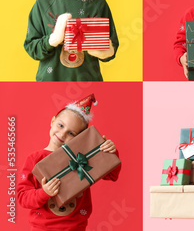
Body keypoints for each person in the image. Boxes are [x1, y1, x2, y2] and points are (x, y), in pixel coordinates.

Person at [15, 94, 120, 230]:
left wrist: (110, 152)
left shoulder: (82, 157)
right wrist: (44, 192)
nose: (63, 134)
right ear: (52, 121)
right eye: (60, 125)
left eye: (71, 133)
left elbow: (111, 175)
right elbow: (23, 197)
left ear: (80, 138)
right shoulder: (34, 159)